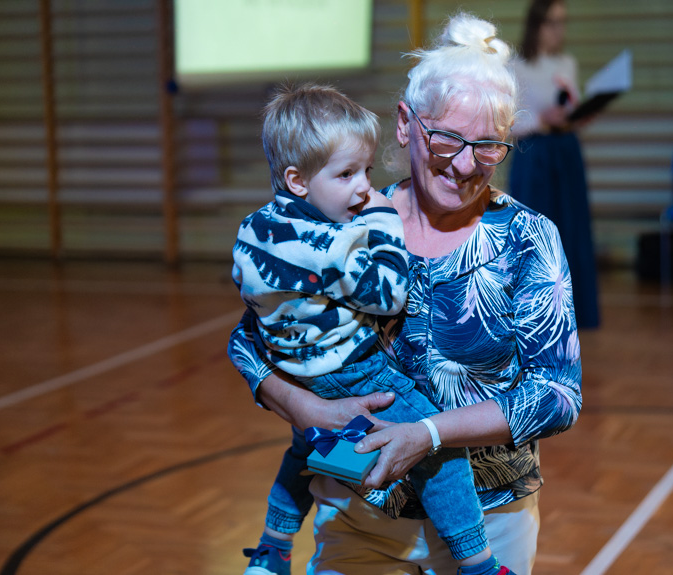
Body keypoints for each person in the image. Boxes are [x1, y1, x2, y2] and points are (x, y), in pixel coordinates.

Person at [229, 13, 583, 575]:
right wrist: (305, 406)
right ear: (405, 124)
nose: (467, 165)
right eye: (447, 139)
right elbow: (254, 337)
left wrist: (431, 433)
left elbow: (559, 395)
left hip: (490, 524)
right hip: (356, 513)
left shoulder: (526, 237)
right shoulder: (342, 217)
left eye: (489, 147)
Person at [508, 0, 600, 329]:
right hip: (534, 154)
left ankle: (576, 313)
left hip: (566, 150)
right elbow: (509, 122)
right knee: (535, 233)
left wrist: (578, 115)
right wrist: (541, 120)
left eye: (563, 22)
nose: (558, 30)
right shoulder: (517, 66)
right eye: (552, 23)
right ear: (536, 25)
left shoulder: (567, 63)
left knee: (572, 228)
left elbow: (569, 108)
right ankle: (535, 314)